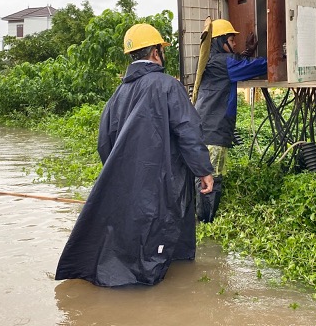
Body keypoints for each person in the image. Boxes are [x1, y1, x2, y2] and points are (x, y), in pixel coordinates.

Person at [55, 23, 214, 287]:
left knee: (138, 228)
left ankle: (129, 279)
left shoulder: (119, 93)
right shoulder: (167, 86)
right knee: (163, 228)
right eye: (161, 50)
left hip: (130, 181)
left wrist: (119, 171)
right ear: (155, 53)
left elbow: (104, 141)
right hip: (164, 179)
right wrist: (204, 171)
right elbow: (188, 131)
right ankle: (149, 283)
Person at [194, 19, 267, 222]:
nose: (235, 44)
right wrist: (279, 58)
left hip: (204, 128)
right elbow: (252, 67)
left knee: (201, 175)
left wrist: (245, 53)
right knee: (211, 178)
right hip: (213, 131)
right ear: (220, 41)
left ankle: (198, 219)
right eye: (232, 40)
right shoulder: (222, 62)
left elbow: (234, 64)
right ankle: (206, 222)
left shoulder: (211, 60)